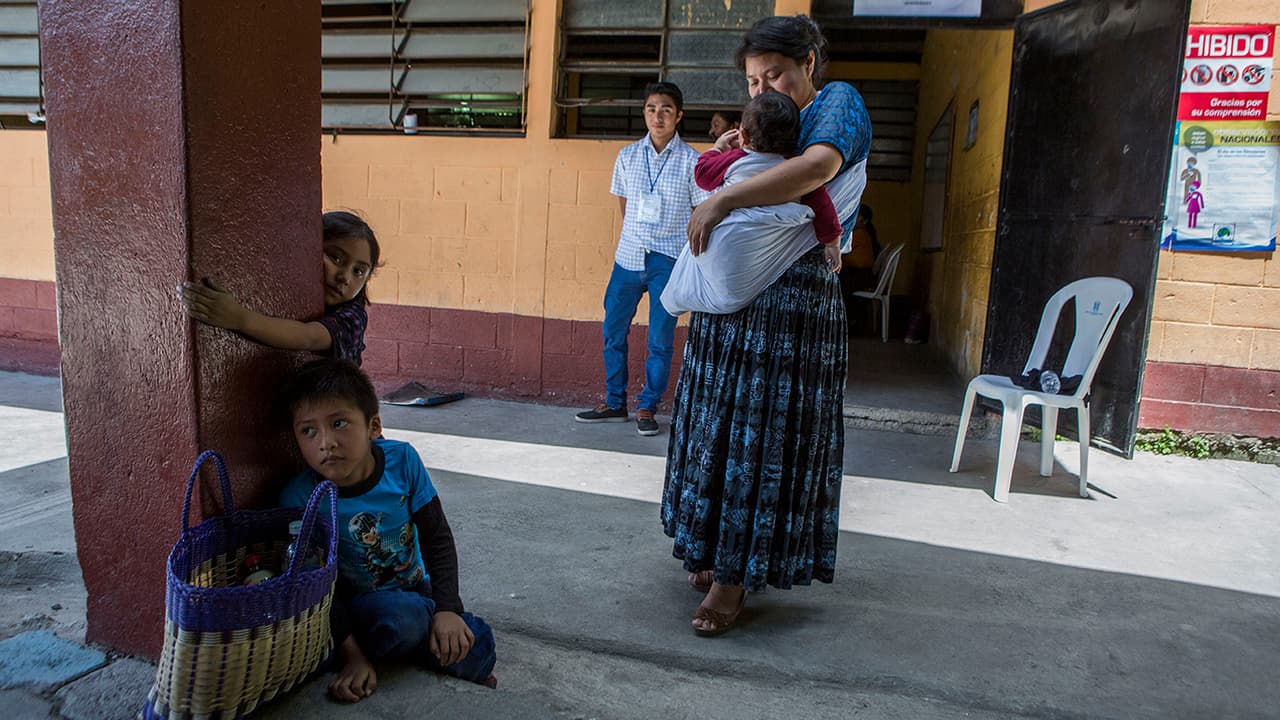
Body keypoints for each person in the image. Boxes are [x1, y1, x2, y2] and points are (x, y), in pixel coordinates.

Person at [663, 14, 872, 636]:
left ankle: (734, 580)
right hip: (735, 308)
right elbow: (723, 169)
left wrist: (724, 199)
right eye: (753, 82)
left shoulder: (837, 103)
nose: (763, 92)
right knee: (717, 425)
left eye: (773, 74)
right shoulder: (769, 123)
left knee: (761, 437)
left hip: (791, 310)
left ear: (809, 60)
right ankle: (712, 552)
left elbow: (816, 173)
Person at [278, 359, 497, 702]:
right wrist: (354, 657)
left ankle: (412, 640)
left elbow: (437, 538)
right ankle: (382, 647)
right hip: (352, 609)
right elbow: (315, 586)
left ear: (373, 426)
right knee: (399, 620)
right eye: (309, 430)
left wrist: (448, 610)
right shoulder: (300, 498)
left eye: (339, 423)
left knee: (478, 643)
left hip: (414, 588)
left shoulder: (402, 461)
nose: (326, 443)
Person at [574, 82, 710, 437]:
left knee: (660, 339)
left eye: (665, 109)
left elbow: (700, 211)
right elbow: (624, 205)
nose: (657, 116)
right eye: (651, 109)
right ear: (644, 113)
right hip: (629, 256)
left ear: (678, 115)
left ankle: (648, 406)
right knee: (612, 331)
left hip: (668, 259)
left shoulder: (692, 161)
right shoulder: (628, 156)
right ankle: (615, 402)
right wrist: (638, 236)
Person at [659, 91, 842, 315]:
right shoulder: (797, 174)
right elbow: (825, 209)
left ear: (743, 134)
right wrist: (832, 243)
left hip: (719, 249)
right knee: (728, 294)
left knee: (684, 288)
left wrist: (718, 148)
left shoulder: (737, 159)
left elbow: (702, 174)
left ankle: (676, 304)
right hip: (749, 261)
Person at [178, 210, 379, 365]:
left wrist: (238, 318)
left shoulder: (353, 318)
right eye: (335, 257)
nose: (345, 277)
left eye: (359, 271)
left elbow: (307, 337)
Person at [840, 204, 881, 331]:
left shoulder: (860, 234)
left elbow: (841, 247)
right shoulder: (863, 233)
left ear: (864, 220)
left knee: (840, 285)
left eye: (856, 215)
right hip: (861, 275)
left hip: (860, 277)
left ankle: (846, 323)